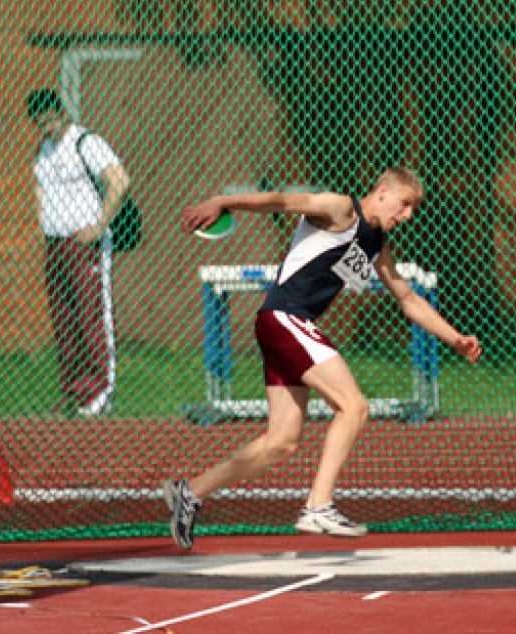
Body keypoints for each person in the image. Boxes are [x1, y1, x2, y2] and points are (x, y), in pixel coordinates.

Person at [164, 167, 482, 548]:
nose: (408, 215)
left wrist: (455, 338)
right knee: (354, 407)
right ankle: (318, 506)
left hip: (284, 327)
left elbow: (408, 298)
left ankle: (190, 492)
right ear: (382, 192)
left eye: (413, 209)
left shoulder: (376, 243)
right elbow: (280, 201)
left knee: (281, 442)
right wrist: (222, 201)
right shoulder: (340, 209)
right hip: (285, 319)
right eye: (405, 204)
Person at [27, 89, 132, 417]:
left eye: (49, 116)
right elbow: (39, 190)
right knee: (64, 318)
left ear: (60, 112)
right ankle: (75, 389)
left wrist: (100, 225)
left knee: (91, 315)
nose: (46, 124)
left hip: (84, 243)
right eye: (38, 120)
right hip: (56, 243)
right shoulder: (43, 150)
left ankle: (101, 389)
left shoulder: (85, 142)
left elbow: (120, 181)